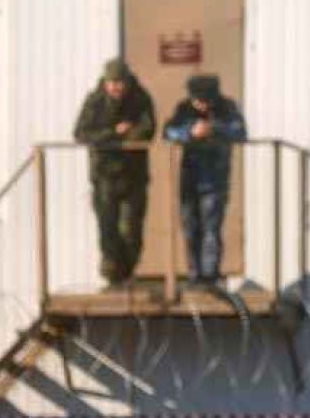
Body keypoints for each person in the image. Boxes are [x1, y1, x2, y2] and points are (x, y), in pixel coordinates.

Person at [74, 58, 156, 284]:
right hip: (104, 176)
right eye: (111, 83)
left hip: (134, 175)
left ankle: (127, 272)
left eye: (119, 83)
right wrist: (113, 133)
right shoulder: (95, 102)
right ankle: (113, 274)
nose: (115, 88)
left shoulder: (140, 99)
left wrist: (128, 136)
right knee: (107, 227)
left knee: (131, 230)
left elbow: (147, 129)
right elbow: (81, 133)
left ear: (127, 82)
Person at [163, 74, 247, 286]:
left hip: (214, 179)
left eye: (203, 100)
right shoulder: (184, 109)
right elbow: (168, 132)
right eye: (196, 100)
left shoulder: (227, 108)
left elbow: (240, 131)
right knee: (190, 228)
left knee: (211, 228)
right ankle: (194, 274)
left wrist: (214, 129)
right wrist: (189, 132)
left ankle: (210, 275)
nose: (199, 104)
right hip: (189, 178)